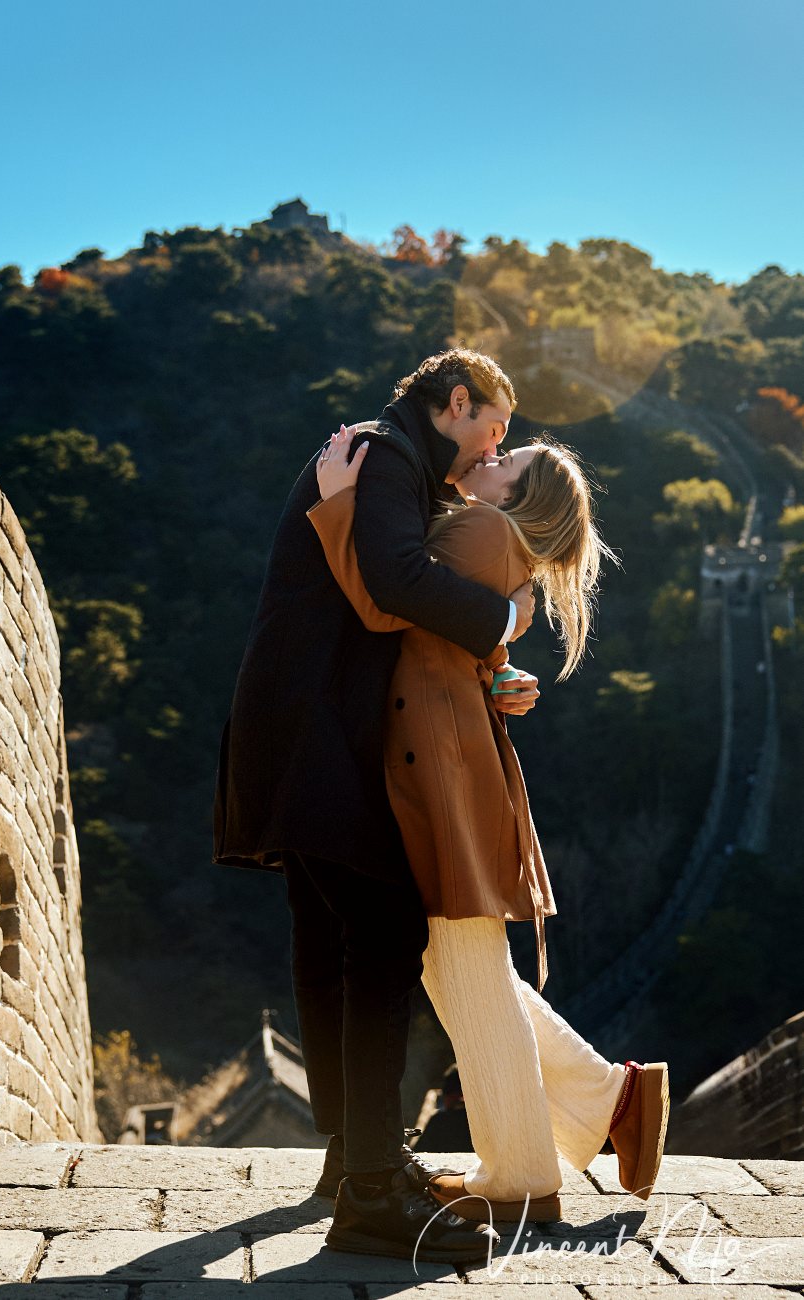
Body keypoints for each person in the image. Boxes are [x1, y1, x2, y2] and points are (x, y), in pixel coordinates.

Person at [212, 349, 536, 1262]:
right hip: (312, 730)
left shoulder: (382, 458)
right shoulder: (386, 453)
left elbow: (383, 603)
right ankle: (371, 1191)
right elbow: (393, 581)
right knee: (384, 932)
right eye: (494, 426)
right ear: (457, 403)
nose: (495, 445)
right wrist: (505, 619)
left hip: (301, 724)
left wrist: (496, 672)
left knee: (331, 937)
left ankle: (354, 1162)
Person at [307, 424, 670, 1221]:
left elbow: (383, 603)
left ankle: (521, 1177)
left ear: (521, 496)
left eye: (513, 462)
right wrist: (502, 659)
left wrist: (338, 506)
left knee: (461, 968)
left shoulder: (479, 527)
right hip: (446, 754)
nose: (493, 459)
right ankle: (614, 1098)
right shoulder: (496, 537)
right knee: (462, 961)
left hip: (437, 763)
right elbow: (454, 629)